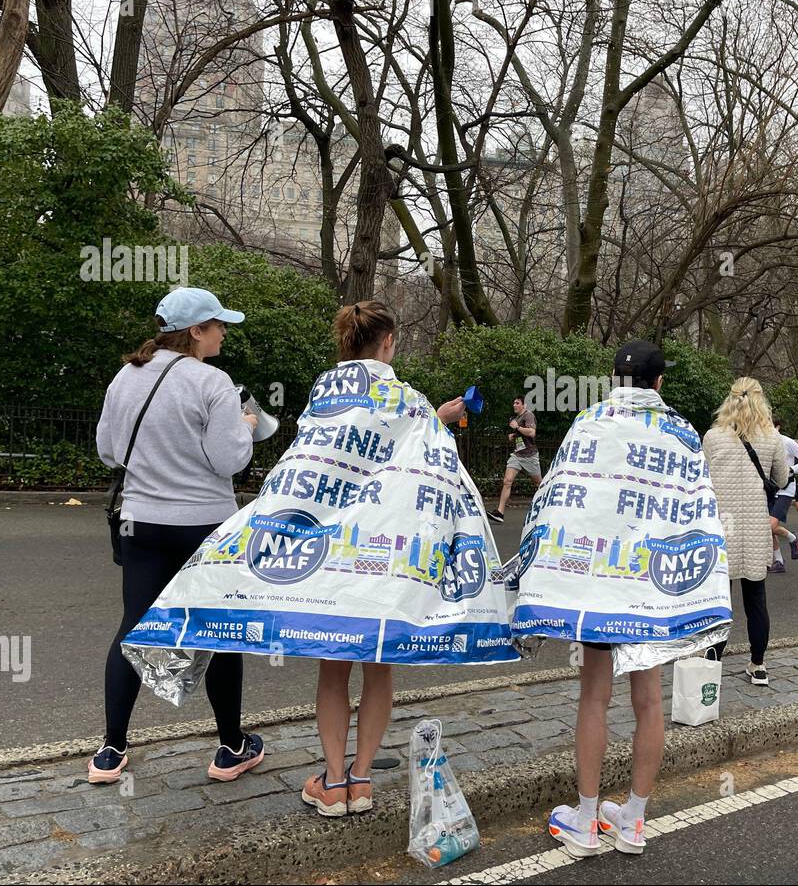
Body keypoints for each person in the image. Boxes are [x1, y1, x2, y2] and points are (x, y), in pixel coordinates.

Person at [118, 300, 517, 816]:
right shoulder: (407, 399)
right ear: (389, 342)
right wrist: (439, 420)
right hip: (388, 559)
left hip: (334, 558)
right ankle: (364, 780)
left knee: (334, 668)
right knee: (379, 668)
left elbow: (321, 457)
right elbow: (418, 456)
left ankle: (331, 783)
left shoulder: (325, 390)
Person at [512, 340, 731, 857]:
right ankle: (633, 819)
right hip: (652, 588)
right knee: (650, 699)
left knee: (593, 696)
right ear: (660, 382)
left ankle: (586, 819)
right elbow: (698, 506)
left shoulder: (589, 422)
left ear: (614, 379)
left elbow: (560, 498)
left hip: (598, 583)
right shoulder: (680, 433)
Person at [93, 287, 262, 785]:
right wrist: (247, 424)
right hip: (204, 526)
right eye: (218, 325)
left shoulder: (125, 377)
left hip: (141, 521)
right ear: (195, 332)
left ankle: (110, 750)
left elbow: (107, 450)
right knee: (221, 635)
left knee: (132, 628)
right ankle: (230, 749)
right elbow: (229, 459)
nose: (223, 332)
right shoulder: (213, 382)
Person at [703, 379, 789, 684]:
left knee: (718, 602)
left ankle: (711, 664)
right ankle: (758, 664)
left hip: (721, 523)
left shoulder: (713, 437)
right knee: (756, 599)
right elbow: (781, 477)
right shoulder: (772, 438)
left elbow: (703, 480)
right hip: (754, 523)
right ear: (761, 401)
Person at [768, 419, 798, 573]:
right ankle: (779, 561)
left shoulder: (786, 442)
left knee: (770, 525)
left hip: (786, 489)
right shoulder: (761, 442)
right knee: (767, 528)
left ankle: (793, 538)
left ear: (778, 427)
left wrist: (792, 469)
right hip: (769, 489)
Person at [487, 395, 541, 523]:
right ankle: (500, 513)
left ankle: (548, 508)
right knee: (507, 481)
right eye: (514, 403)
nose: (514, 405)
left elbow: (532, 433)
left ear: (524, 405)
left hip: (530, 456)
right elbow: (522, 434)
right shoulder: (516, 418)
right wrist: (514, 435)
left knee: (539, 484)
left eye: (517, 403)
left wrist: (517, 428)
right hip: (517, 455)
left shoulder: (528, 415)